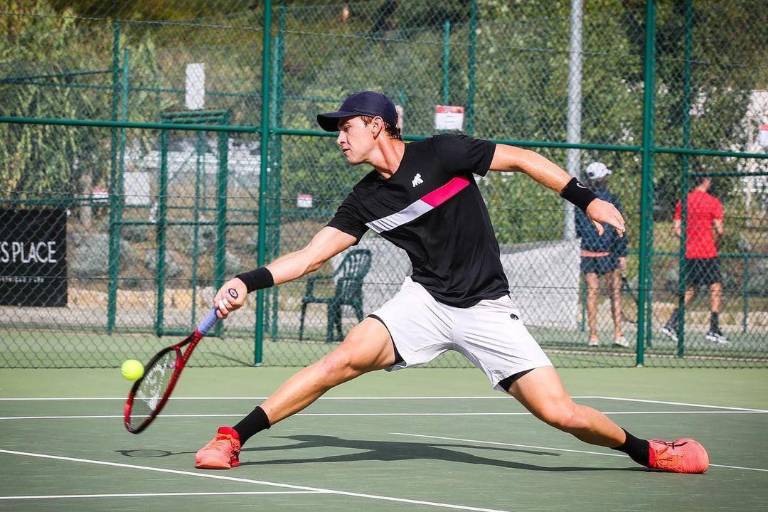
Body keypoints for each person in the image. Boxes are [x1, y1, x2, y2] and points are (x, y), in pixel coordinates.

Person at [194, 91, 709, 474]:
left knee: (561, 413)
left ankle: (649, 451)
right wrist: (248, 280)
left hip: (486, 308)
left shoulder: (443, 153)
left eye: (346, 126)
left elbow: (524, 160)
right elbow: (309, 257)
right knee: (340, 360)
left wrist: (587, 198)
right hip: (424, 301)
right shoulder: (363, 200)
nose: (339, 136)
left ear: (377, 125)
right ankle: (232, 438)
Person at [661, 177, 728, 344]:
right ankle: (713, 328)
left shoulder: (683, 201)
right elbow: (720, 230)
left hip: (690, 253)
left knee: (691, 288)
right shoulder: (713, 202)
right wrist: (714, 243)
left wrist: (688, 241)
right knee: (716, 286)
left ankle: (671, 323)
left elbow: (676, 229)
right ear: (706, 181)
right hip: (707, 252)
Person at [576, 162, 629, 348]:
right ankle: (618, 334)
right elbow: (619, 226)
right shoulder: (611, 200)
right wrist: (622, 253)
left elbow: (578, 229)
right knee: (615, 293)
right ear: (602, 179)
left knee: (592, 293)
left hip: (589, 253)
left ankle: (593, 336)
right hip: (607, 253)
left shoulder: (581, 200)